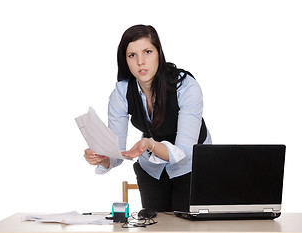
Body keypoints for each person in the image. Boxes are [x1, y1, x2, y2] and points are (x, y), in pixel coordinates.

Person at [84, 24, 212, 212]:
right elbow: (117, 153)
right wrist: (102, 158)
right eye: (132, 55)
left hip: (193, 165)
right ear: (125, 60)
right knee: (154, 227)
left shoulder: (186, 86)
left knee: (187, 228)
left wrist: (149, 144)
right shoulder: (121, 92)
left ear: (159, 53)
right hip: (152, 167)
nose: (141, 62)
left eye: (148, 52)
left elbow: (185, 151)